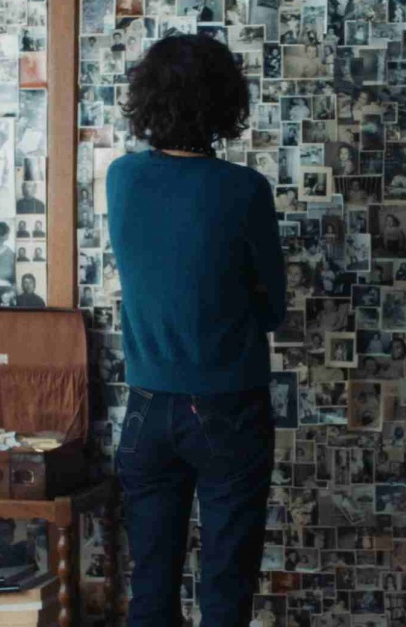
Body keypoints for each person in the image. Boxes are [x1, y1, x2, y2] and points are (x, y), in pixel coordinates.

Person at [107, 35, 286, 627]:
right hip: (228, 408)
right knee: (226, 592)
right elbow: (274, 310)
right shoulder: (245, 190)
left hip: (146, 410)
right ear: (224, 101)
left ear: (146, 99)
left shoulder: (121, 178)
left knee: (150, 591)